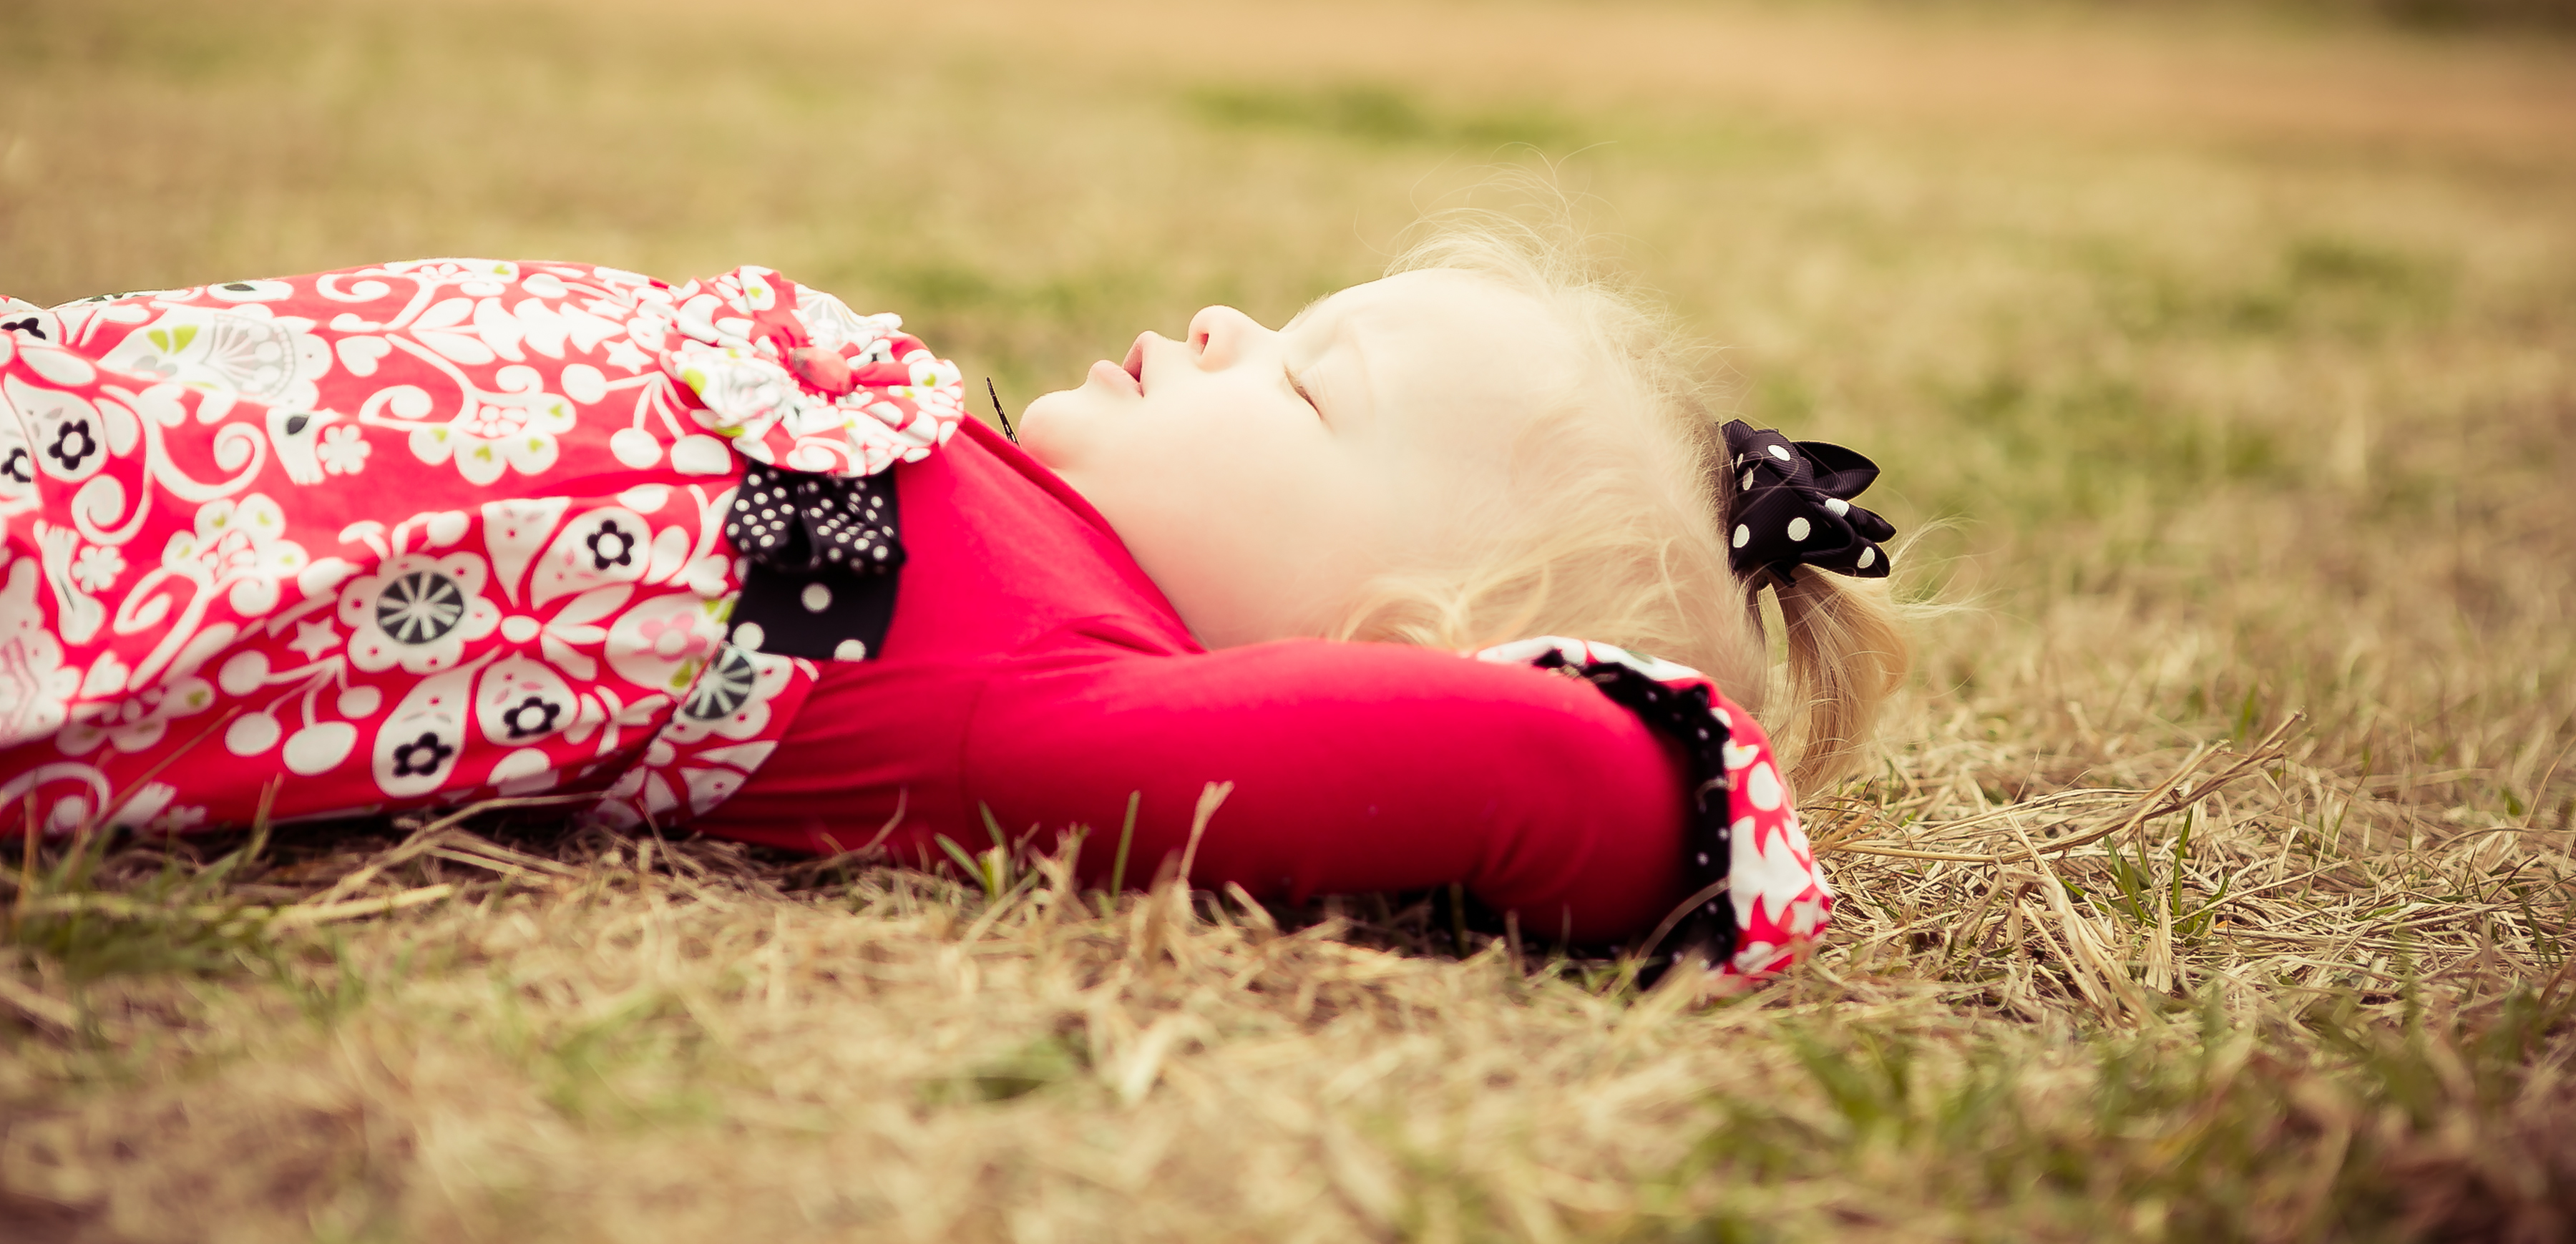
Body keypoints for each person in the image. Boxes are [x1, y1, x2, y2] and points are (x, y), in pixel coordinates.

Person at [0, 215, 1904, 976]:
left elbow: (1576, 778)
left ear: (1368, 655)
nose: (1236, 324)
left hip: (111, 574)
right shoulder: (1003, 509)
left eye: (1311, 388)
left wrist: (1685, 740)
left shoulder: (1054, 699)